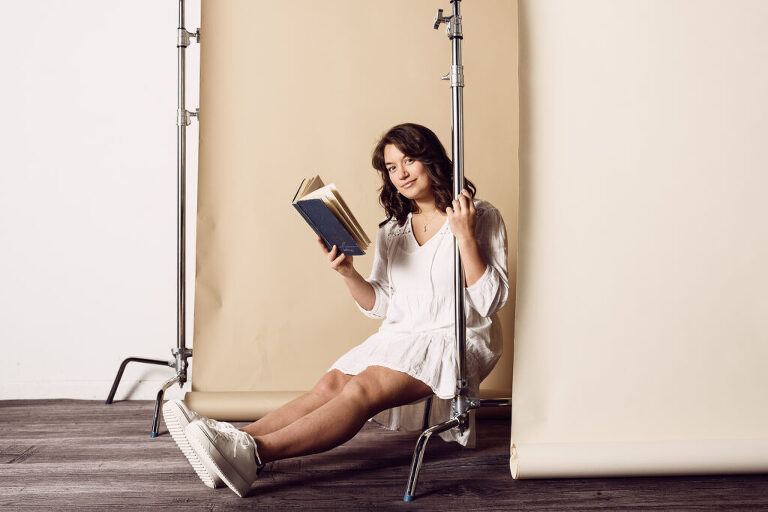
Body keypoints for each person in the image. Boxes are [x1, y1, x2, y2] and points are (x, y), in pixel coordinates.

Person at [163, 122, 509, 497]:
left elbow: (489, 302)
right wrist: (347, 273)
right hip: (401, 335)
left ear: (432, 160)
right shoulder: (393, 229)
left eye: (409, 160)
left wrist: (464, 236)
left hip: (454, 338)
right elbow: (382, 305)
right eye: (392, 168)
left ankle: (254, 455)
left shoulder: (479, 215)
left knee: (361, 388)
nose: (402, 174)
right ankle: (231, 438)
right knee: (329, 384)